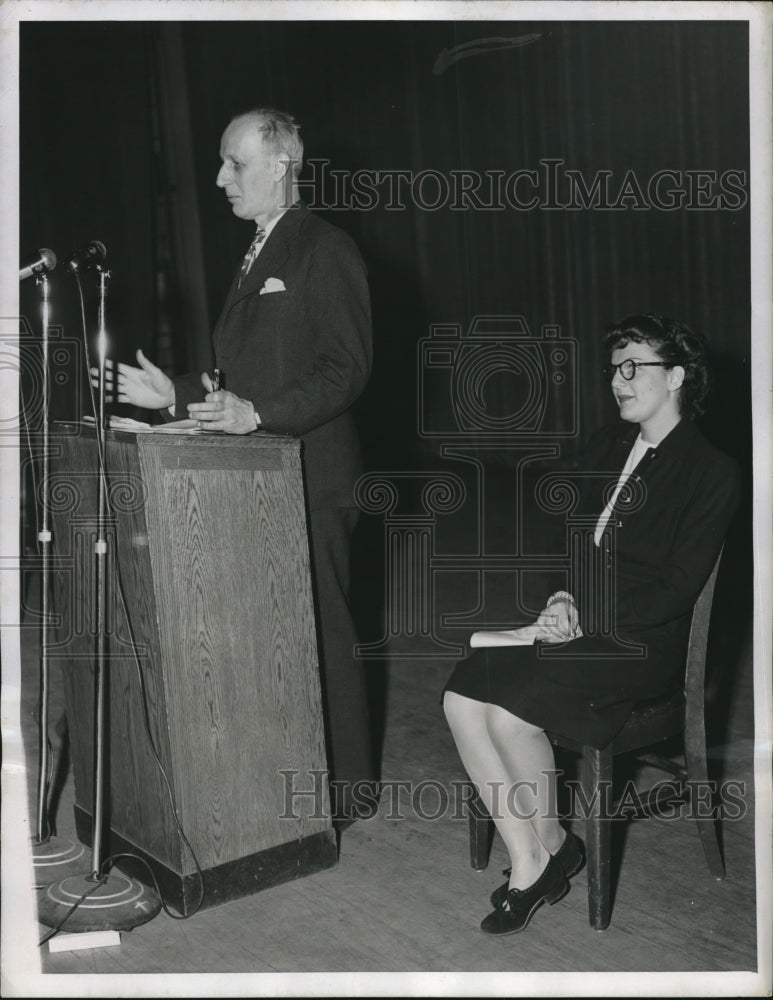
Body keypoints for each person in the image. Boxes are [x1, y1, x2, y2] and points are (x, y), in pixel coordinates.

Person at [105, 108, 375, 821]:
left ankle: (344, 794)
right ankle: (290, 776)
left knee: (323, 632)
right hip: (258, 480)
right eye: (222, 163)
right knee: (280, 634)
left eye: (235, 163)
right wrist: (179, 392)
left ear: (282, 162)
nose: (220, 178)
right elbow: (246, 372)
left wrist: (258, 415)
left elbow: (345, 369)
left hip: (311, 475)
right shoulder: (259, 251)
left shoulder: (323, 247)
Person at [442, 313, 741, 935]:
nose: (618, 381)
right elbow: (565, 535)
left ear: (678, 376)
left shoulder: (711, 471)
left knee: (509, 709)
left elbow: (676, 589)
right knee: (462, 693)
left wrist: (584, 617)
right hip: (580, 622)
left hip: (642, 641)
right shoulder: (608, 445)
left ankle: (544, 856)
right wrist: (558, 595)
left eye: (634, 368)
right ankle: (537, 855)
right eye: (614, 370)